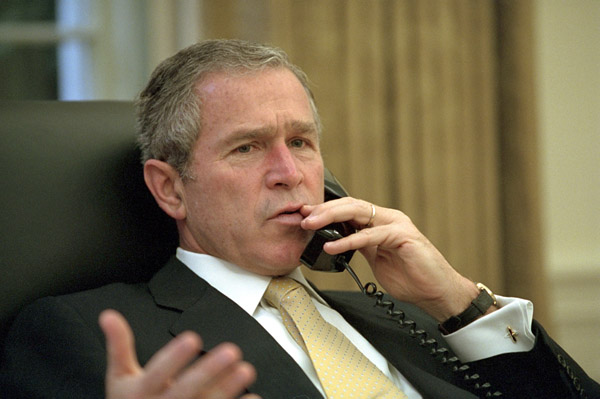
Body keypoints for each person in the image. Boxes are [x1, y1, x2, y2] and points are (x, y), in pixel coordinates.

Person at [1, 39, 598, 399]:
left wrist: (459, 302)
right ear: (170, 188)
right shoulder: (91, 335)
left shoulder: (406, 317)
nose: (289, 172)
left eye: (302, 143)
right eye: (247, 147)